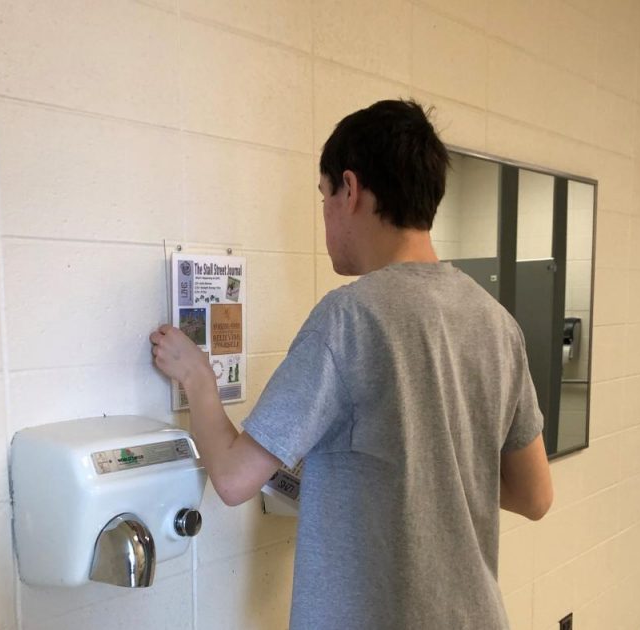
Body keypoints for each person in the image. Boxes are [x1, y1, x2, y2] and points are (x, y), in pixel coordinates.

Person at [150, 99, 553, 629]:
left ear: (351, 188)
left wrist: (197, 377)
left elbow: (232, 478)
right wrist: (431, 473)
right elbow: (534, 495)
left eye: (323, 197)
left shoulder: (349, 318)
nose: (325, 214)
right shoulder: (497, 324)